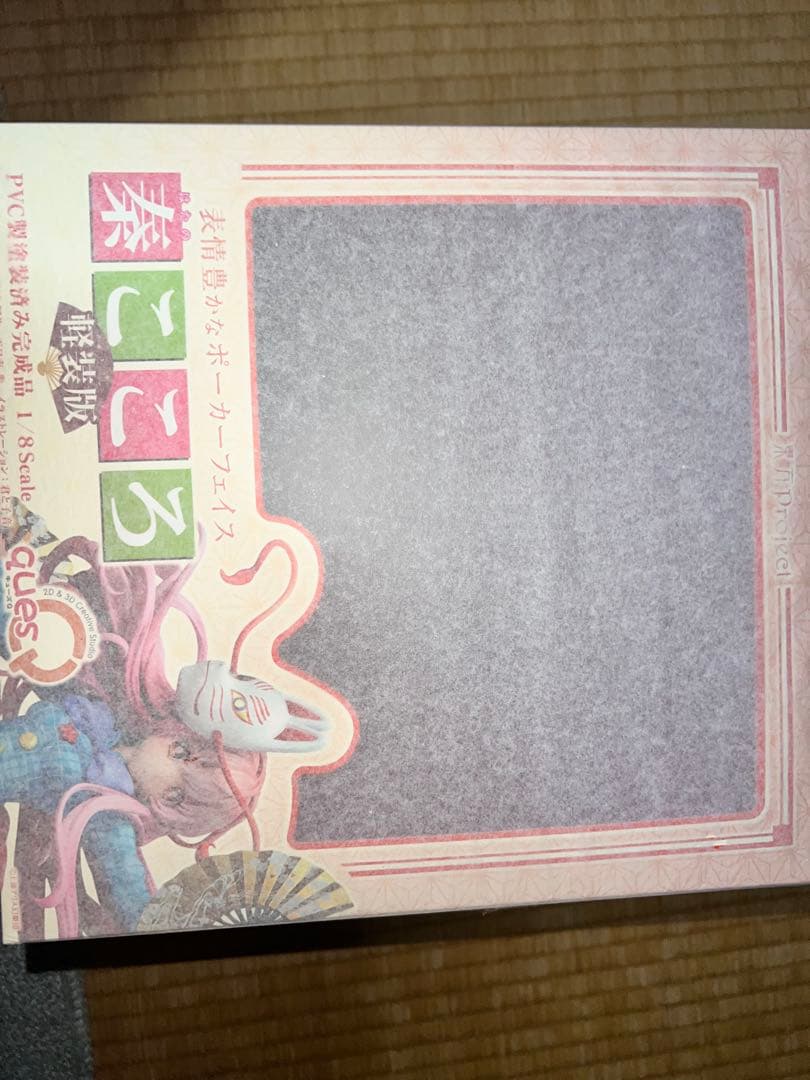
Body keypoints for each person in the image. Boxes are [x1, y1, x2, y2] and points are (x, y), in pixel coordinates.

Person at [0, 528, 327, 939]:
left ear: (169, 798)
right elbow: (30, 647)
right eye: (182, 742)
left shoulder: (107, 814)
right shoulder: (98, 711)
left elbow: (129, 891)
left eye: (180, 754)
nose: (171, 741)